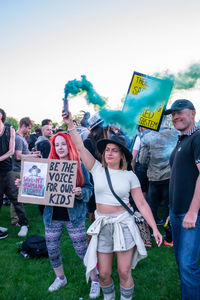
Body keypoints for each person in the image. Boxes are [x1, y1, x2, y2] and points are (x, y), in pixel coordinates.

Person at [63, 110, 162, 300]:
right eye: (107, 149)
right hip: (102, 226)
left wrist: (154, 228)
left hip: (123, 224)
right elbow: (81, 149)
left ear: (122, 155)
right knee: (105, 274)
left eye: (114, 150)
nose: (109, 153)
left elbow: (141, 202)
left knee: (124, 273)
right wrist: (70, 126)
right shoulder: (97, 169)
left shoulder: (130, 176)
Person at [42, 132, 100, 298]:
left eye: (63, 144)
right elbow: (37, 188)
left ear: (69, 145)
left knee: (82, 250)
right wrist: (23, 184)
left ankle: (95, 280)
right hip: (52, 216)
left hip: (74, 217)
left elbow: (89, 189)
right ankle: (60, 277)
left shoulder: (79, 165)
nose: (60, 148)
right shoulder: (49, 165)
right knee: (52, 250)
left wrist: (81, 191)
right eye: (57, 144)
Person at [164, 99, 200, 300]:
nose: (176, 116)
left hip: (191, 214)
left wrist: (193, 211)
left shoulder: (198, 137)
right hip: (176, 213)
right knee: (182, 263)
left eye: (180, 112)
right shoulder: (182, 140)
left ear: (193, 113)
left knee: (187, 265)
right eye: (173, 114)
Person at [0, 109, 30, 237]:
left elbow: (12, 151)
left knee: (16, 198)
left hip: (7, 171)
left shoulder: (9, 131)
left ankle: (24, 224)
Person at [12, 117, 41, 237]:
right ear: (23, 125)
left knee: (19, 197)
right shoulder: (18, 139)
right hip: (16, 170)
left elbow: (24, 153)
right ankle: (15, 220)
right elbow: (18, 156)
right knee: (16, 197)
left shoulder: (21, 138)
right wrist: (34, 157)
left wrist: (33, 154)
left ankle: (17, 219)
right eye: (28, 128)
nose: (30, 130)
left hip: (19, 169)